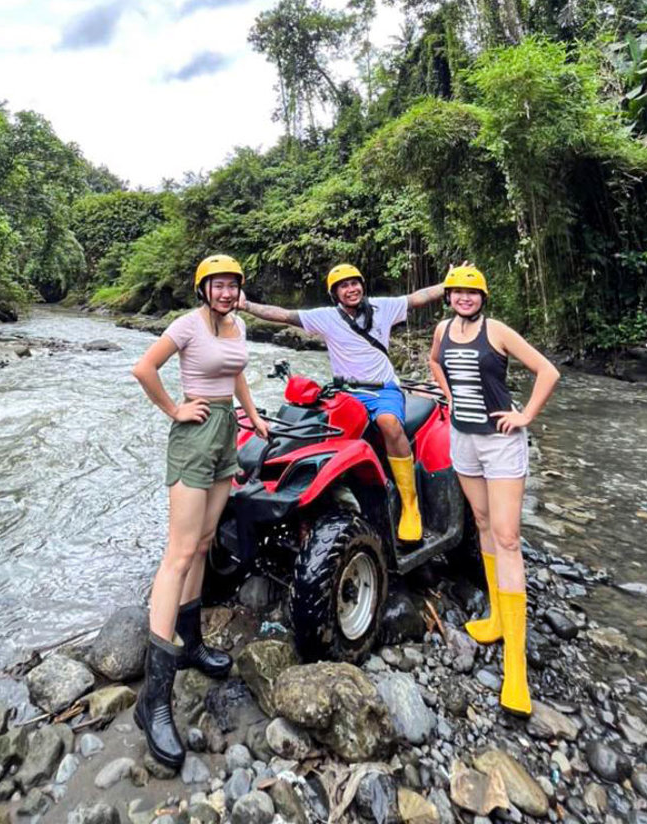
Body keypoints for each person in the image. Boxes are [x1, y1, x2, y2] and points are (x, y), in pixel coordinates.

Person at [131, 254, 269, 768]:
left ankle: (189, 644)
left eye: (234, 285)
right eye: (219, 285)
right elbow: (143, 367)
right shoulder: (187, 325)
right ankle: (155, 697)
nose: (228, 292)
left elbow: (236, 377)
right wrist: (175, 409)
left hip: (227, 433)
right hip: (193, 436)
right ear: (203, 288)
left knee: (206, 542)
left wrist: (254, 418)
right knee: (180, 551)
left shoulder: (236, 327)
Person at [428, 266, 560, 715]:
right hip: (462, 439)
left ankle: (516, 669)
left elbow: (548, 371)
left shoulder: (498, 331)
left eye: (472, 293)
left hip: (501, 443)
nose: (464, 298)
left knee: (506, 536)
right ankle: (498, 619)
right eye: (457, 292)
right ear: (449, 297)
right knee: (481, 522)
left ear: (483, 297)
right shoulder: (443, 330)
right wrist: (448, 396)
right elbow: (433, 362)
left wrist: (525, 417)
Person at [239, 263, 449, 543]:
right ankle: (323, 504)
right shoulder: (327, 317)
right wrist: (247, 305)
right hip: (347, 392)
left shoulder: (382, 307)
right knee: (322, 436)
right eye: (344, 286)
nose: (351, 289)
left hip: (383, 390)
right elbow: (284, 315)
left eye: (354, 283)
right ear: (335, 293)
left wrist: (447, 285)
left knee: (388, 423)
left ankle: (410, 504)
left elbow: (417, 298)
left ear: (362, 285)